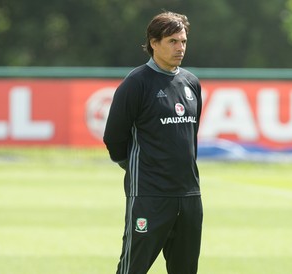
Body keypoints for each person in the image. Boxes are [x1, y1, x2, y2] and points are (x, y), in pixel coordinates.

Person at [103, 11, 203, 274]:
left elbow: (190, 137)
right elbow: (113, 137)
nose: (180, 47)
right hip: (150, 196)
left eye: (183, 41)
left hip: (189, 195)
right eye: (172, 41)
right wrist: (140, 167)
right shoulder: (136, 83)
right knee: (132, 268)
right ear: (153, 43)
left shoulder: (191, 83)